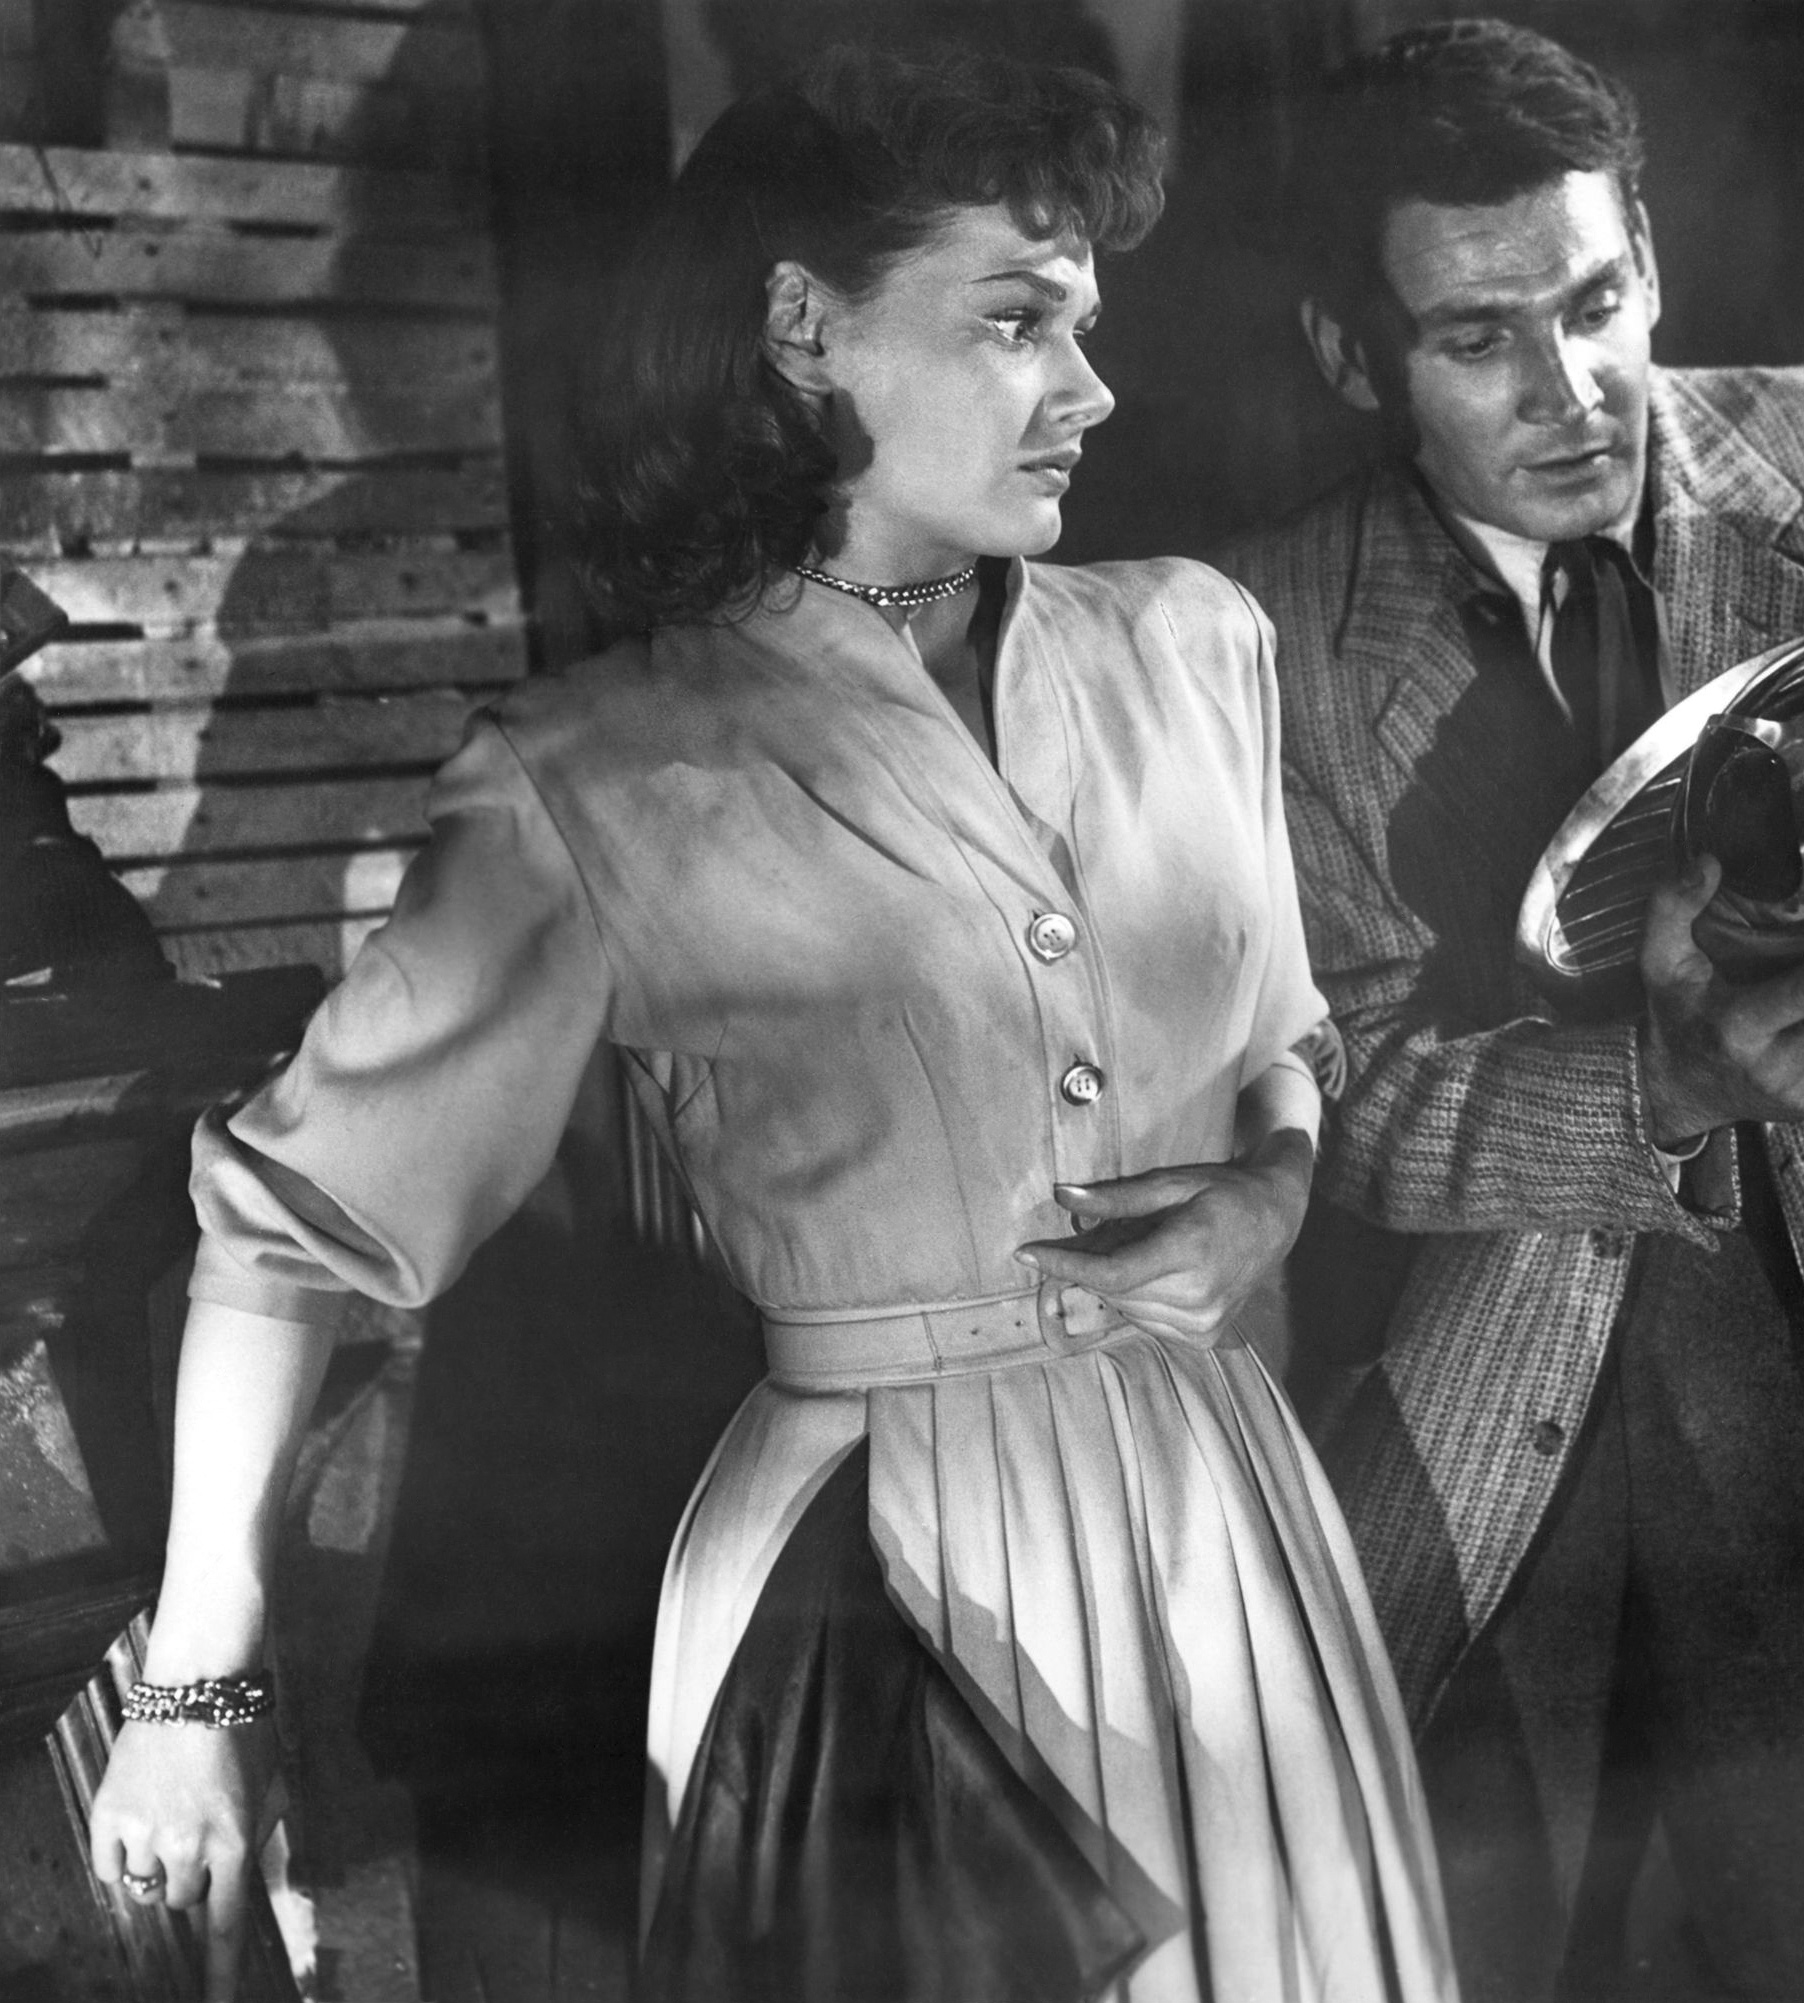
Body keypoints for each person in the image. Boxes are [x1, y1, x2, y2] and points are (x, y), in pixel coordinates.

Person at [87, 47, 1453, 2003]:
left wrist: (1273, 1197)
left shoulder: (1193, 642)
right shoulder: (595, 772)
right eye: (1018, 323)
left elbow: (1284, 1042)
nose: (1091, 387)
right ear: (804, 328)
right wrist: (196, 1692)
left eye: (1087, 323)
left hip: (1224, 1525)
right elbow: (291, 1232)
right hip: (888, 1579)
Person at [1216, 20, 1804, 2002]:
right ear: (1348, 355)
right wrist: (1660, 1082)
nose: (1574, 392)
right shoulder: (1257, 637)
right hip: (1477, 1474)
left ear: (1649, 259)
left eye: (1596, 302)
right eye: (1479, 341)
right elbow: (1338, 1099)